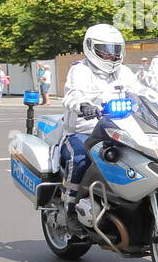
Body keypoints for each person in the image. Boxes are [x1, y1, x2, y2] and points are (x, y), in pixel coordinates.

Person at [60, 25, 140, 193]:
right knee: (80, 157)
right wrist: (84, 106)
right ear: (90, 47)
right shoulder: (80, 69)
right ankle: (70, 203)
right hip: (85, 132)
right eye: (106, 50)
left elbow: (141, 93)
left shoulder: (123, 71)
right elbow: (73, 94)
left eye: (116, 50)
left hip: (121, 133)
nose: (112, 55)